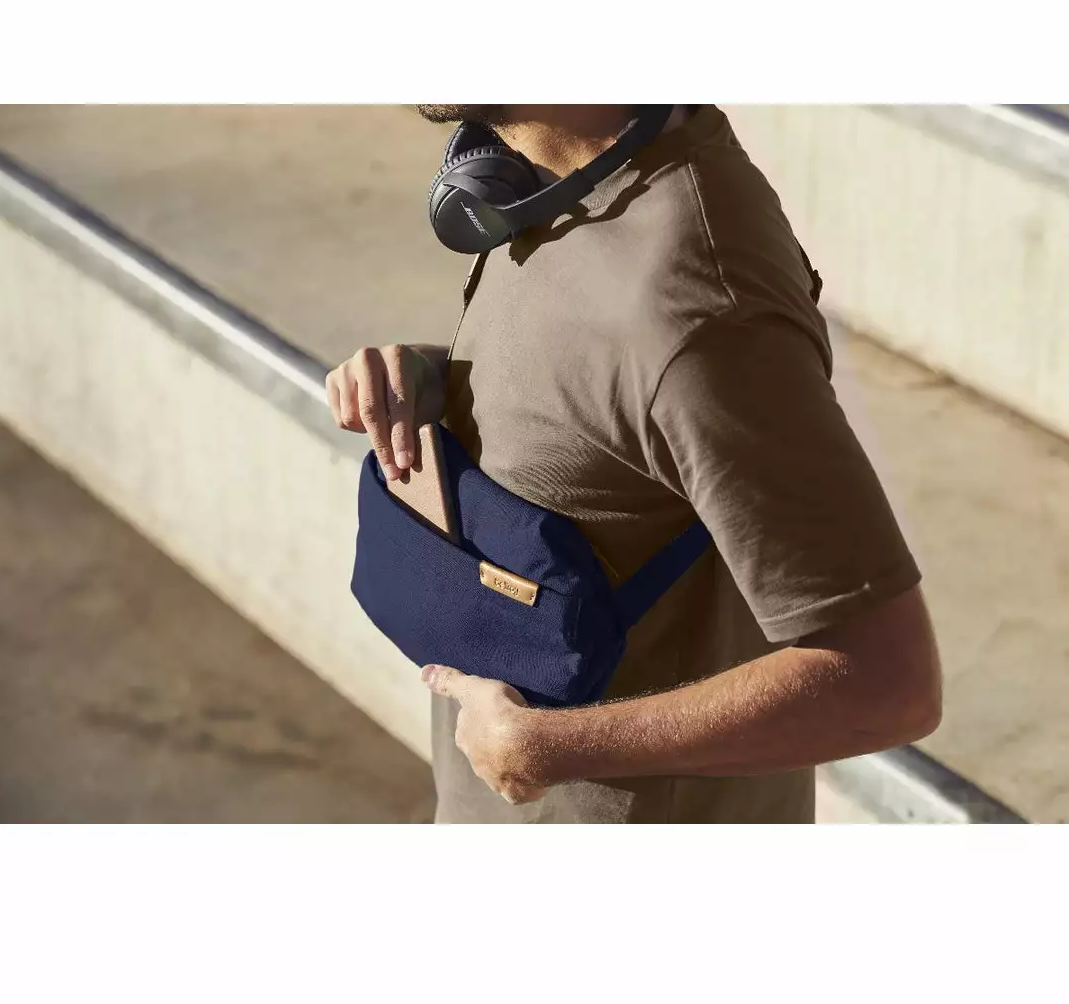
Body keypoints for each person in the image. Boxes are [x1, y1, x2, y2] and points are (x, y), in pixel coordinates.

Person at [326, 104, 942, 823]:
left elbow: (887, 683)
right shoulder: (546, 176)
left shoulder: (698, 312)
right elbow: (607, 403)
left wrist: (552, 747)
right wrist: (438, 380)